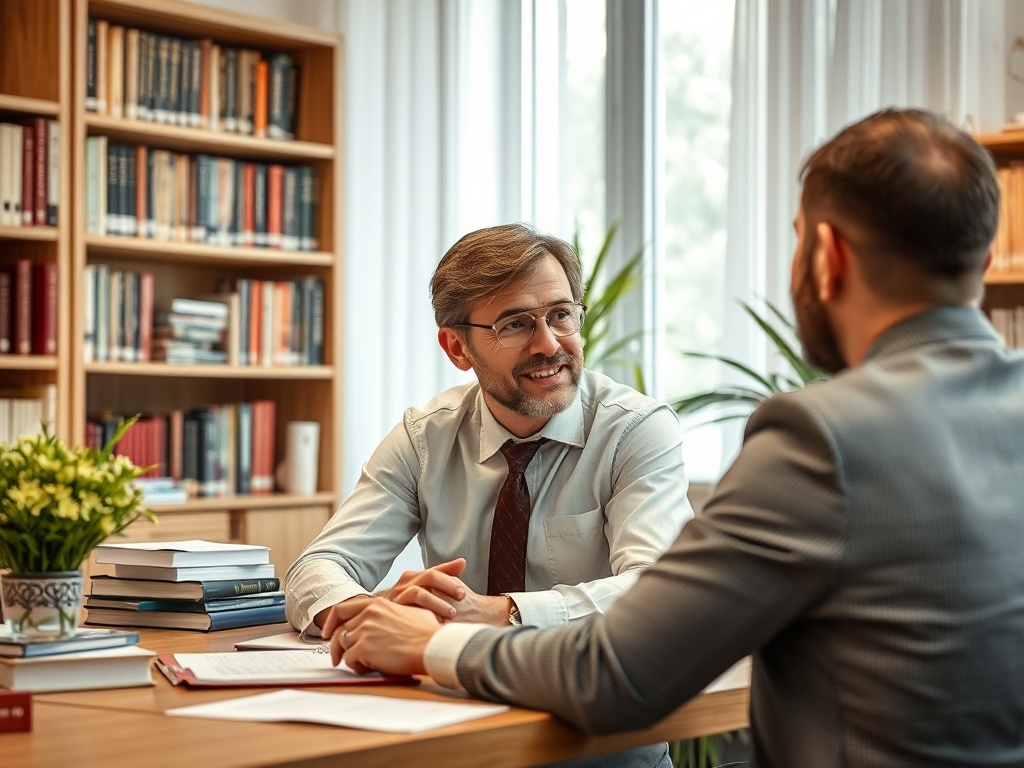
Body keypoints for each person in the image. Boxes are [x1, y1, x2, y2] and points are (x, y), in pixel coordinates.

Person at [323, 108, 1024, 768]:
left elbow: (619, 673)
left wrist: (435, 644)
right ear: (988, 255)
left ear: (826, 255)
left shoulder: (821, 438)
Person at [286, 222, 694, 635]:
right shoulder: (425, 437)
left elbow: (660, 590)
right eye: (515, 324)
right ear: (457, 348)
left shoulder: (634, 429)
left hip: (585, 669)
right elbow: (317, 569)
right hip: (452, 670)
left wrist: (500, 613)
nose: (549, 344)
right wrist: (375, 611)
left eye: (560, 315)